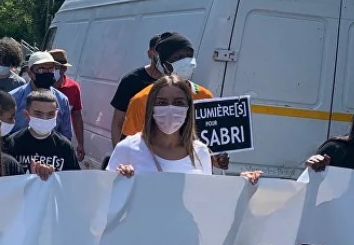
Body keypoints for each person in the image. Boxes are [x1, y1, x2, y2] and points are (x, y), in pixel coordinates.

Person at [109, 75, 260, 184]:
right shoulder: (127, 148)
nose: (170, 108)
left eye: (178, 103)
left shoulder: (201, 152)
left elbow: (207, 200)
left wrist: (242, 185)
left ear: (189, 108)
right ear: (151, 108)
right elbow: (106, 200)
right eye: (161, 102)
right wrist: (119, 179)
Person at [121, 32, 214, 138]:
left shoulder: (205, 96)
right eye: (178, 57)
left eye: (189, 55)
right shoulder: (142, 100)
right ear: (165, 64)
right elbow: (128, 148)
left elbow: (212, 139)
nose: (186, 61)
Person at [5, 90, 81, 173]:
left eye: (50, 114)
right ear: (26, 115)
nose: (45, 119)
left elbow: (74, 179)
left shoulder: (65, 146)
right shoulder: (12, 143)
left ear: (56, 114)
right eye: (38, 114)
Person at [110, 34, 163, 146]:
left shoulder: (174, 83)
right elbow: (117, 122)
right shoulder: (132, 80)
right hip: (135, 149)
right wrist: (118, 153)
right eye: (159, 51)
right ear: (150, 54)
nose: (163, 55)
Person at [9, 51, 73, 140]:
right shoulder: (13, 98)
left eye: (51, 69)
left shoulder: (62, 101)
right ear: (29, 72)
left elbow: (66, 136)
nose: (46, 73)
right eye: (41, 69)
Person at [49, 49, 86, 162]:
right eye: (50, 67)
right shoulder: (41, 85)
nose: (52, 70)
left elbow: (77, 116)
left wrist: (80, 143)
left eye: (55, 67)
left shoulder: (73, 88)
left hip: (62, 142)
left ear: (64, 69)